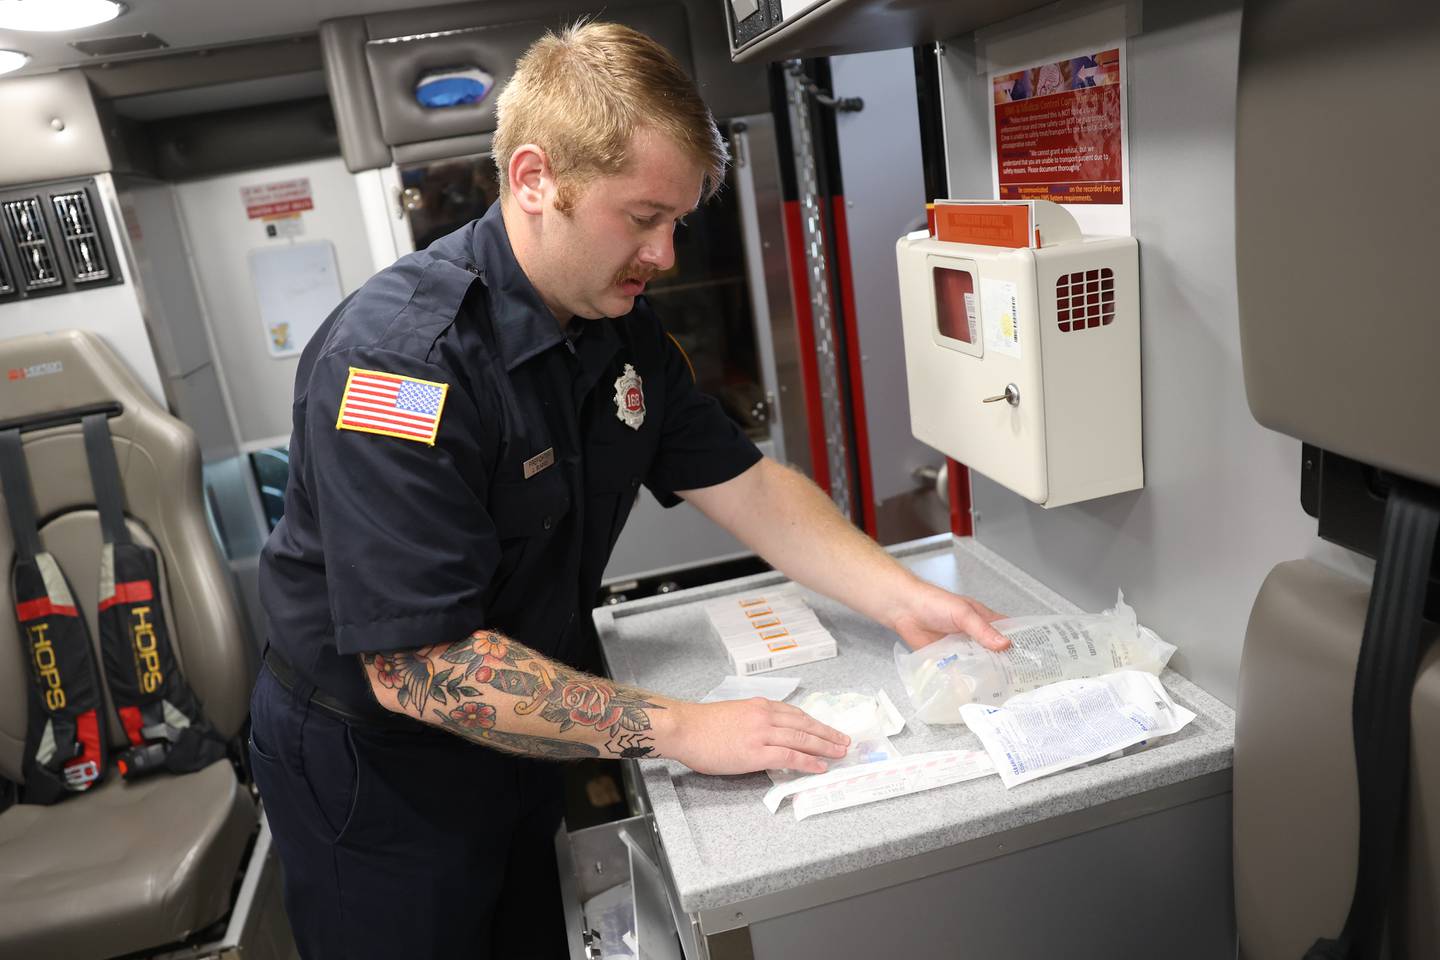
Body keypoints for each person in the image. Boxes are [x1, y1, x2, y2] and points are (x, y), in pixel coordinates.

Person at [248, 21, 1009, 960]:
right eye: (642, 217)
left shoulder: (617, 327)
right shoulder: (403, 364)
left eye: (678, 221)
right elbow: (420, 668)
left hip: (521, 728)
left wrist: (907, 598)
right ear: (534, 180)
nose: (666, 254)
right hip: (377, 768)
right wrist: (685, 728)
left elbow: (749, 484)